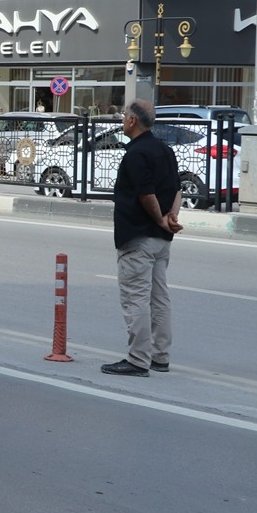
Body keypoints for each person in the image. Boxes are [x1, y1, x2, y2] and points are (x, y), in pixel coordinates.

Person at [102, 99, 183, 377]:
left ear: (132, 121)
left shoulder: (136, 154)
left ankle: (137, 360)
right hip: (161, 240)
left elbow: (146, 194)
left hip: (138, 237)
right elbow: (177, 189)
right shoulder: (164, 150)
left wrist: (160, 218)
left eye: (124, 115)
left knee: (135, 298)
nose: (122, 119)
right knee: (159, 298)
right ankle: (160, 357)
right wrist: (171, 217)